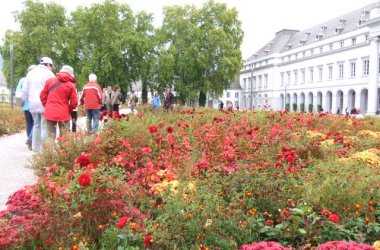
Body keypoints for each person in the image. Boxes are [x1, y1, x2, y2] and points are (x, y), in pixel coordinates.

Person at [22, 56, 55, 152]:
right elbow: (52, 90)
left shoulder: (30, 73)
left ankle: (35, 148)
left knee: (36, 125)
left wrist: (29, 100)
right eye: (51, 66)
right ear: (48, 64)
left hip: (32, 103)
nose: (51, 68)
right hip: (45, 103)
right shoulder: (49, 74)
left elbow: (24, 91)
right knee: (44, 126)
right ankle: (43, 151)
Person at [40, 65, 78, 139]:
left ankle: (49, 150)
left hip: (50, 112)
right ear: (71, 74)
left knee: (50, 138)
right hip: (63, 113)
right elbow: (74, 102)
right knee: (65, 138)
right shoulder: (71, 85)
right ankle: (63, 150)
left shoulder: (50, 81)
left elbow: (42, 95)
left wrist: (47, 105)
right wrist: (69, 110)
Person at [15, 65, 36, 150]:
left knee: (29, 123)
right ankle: (31, 138)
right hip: (34, 105)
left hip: (25, 106)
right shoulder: (35, 80)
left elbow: (18, 92)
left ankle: (30, 138)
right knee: (36, 123)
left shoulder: (22, 80)